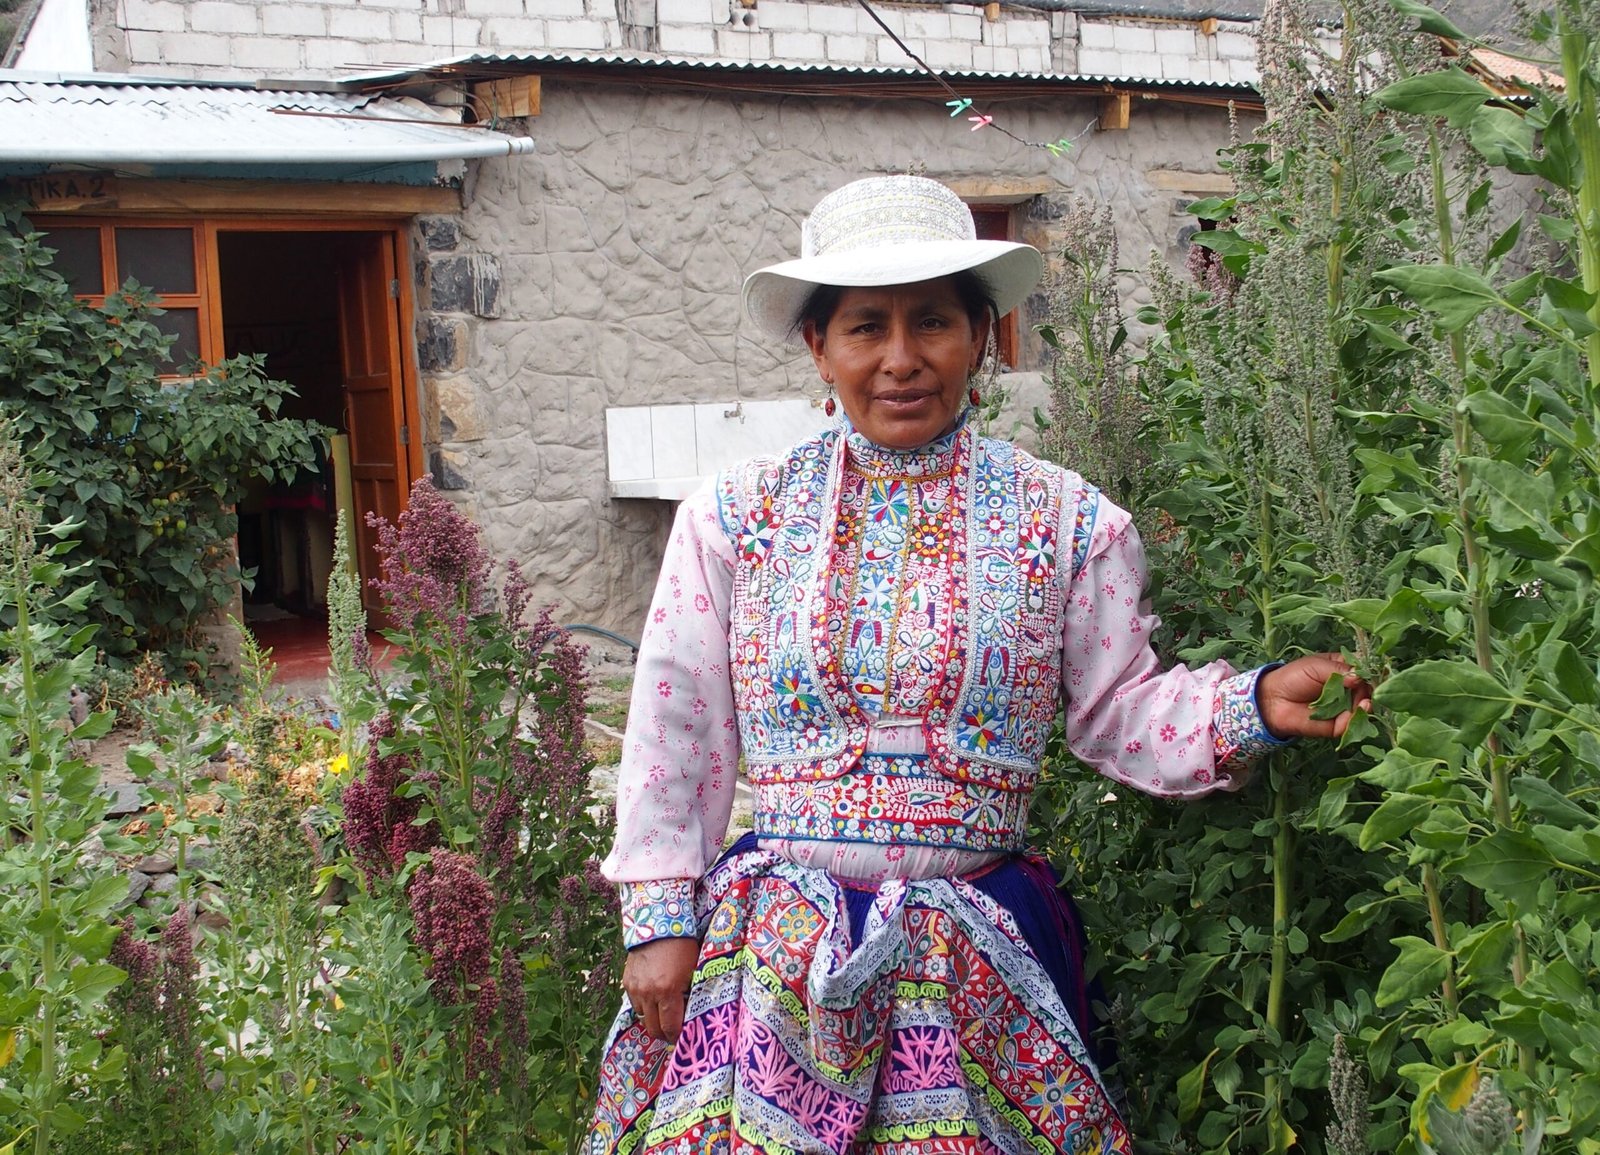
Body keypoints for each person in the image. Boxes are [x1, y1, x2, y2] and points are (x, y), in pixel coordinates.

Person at [590, 174, 1371, 1155]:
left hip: (971, 958)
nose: (901, 360)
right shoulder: (738, 519)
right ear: (817, 348)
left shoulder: (1065, 521)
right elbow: (677, 726)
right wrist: (659, 918)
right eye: (865, 328)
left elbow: (1118, 708)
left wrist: (1251, 703)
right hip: (771, 959)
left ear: (984, 337)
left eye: (933, 323)